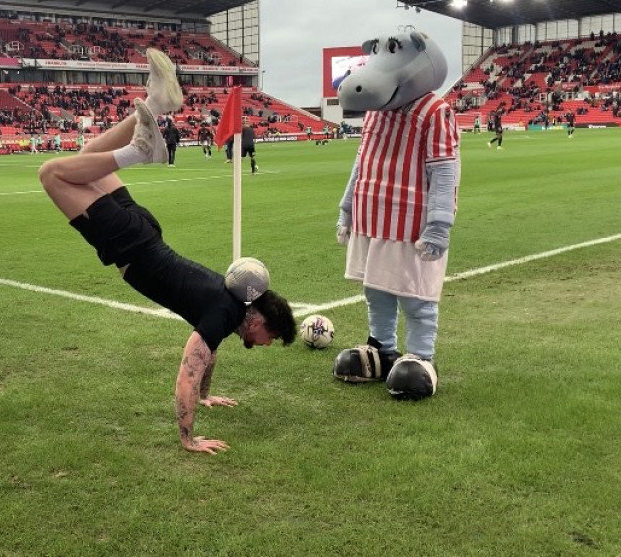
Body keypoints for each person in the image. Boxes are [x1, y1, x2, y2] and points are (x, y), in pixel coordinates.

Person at [38, 48, 296, 454]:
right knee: (51, 172)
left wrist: (209, 395)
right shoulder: (224, 313)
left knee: (87, 159)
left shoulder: (230, 309)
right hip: (130, 244)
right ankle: (140, 152)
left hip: (144, 232)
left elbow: (209, 356)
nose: (265, 344)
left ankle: (156, 104)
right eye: (271, 336)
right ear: (260, 318)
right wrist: (187, 439)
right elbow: (187, 374)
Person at [334, 28, 459, 401]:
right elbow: (362, 164)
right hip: (373, 218)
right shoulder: (374, 114)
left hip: (411, 225)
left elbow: (444, 170)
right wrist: (347, 209)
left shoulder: (436, 112)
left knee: (416, 295)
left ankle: (422, 357)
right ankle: (381, 349)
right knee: (376, 289)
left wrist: (438, 226)